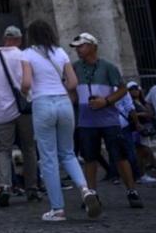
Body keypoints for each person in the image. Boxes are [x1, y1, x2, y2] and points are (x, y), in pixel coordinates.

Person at [19, 20, 100, 222]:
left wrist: (23, 90)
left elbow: (27, 82)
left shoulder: (27, 54)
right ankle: (85, 189)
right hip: (64, 104)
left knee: (48, 158)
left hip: (43, 104)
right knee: (68, 153)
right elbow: (73, 83)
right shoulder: (61, 52)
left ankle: (58, 209)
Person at [69, 32, 143, 208]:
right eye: (77, 47)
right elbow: (71, 90)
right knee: (89, 158)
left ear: (93, 47)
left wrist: (106, 101)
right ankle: (91, 193)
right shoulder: (74, 67)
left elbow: (123, 89)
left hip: (109, 120)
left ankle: (131, 190)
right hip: (85, 121)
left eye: (82, 46)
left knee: (119, 155)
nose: (78, 49)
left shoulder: (109, 66)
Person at [0, 25, 39, 206]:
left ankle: (5, 186)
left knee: (3, 151)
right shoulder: (23, 55)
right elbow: (28, 82)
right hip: (23, 110)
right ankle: (32, 189)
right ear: (19, 40)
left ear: (3, 38)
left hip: (1, 111)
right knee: (29, 149)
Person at [125, 82, 156, 183]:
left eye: (136, 89)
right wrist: (141, 114)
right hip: (137, 130)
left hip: (146, 130)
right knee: (141, 152)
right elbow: (129, 114)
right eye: (132, 89)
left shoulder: (142, 102)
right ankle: (141, 174)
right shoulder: (130, 103)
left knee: (146, 152)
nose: (135, 91)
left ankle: (142, 173)